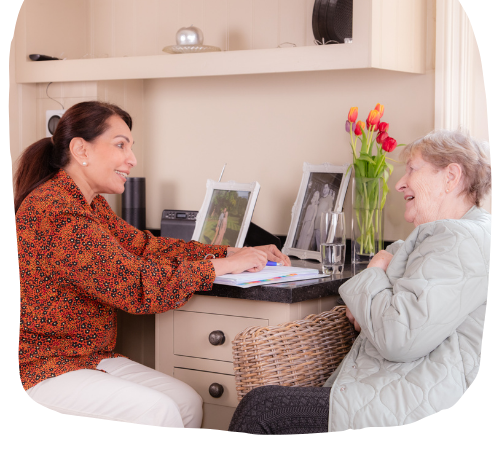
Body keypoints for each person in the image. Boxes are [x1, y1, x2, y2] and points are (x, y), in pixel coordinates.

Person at [16, 101, 291, 428]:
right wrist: (221, 268)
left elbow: (145, 247)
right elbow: (137, 286)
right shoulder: (59, 213)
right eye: (120, 145)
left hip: (85, 358)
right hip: (42, 367)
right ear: (80, 149)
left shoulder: (89, 205)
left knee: (187, 402)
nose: (131, 159)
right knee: (158, 411)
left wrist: (228, 252)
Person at [228, 129, 491, 434]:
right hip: (404, 384)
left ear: (451, 176)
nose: (400, 183)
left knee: (262, 407)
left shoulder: (457, 239)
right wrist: (373, 300)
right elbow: (377, 308)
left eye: (412, 169)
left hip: (416, 398)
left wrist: (375, 271)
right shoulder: (454, 233)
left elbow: (397, 336)